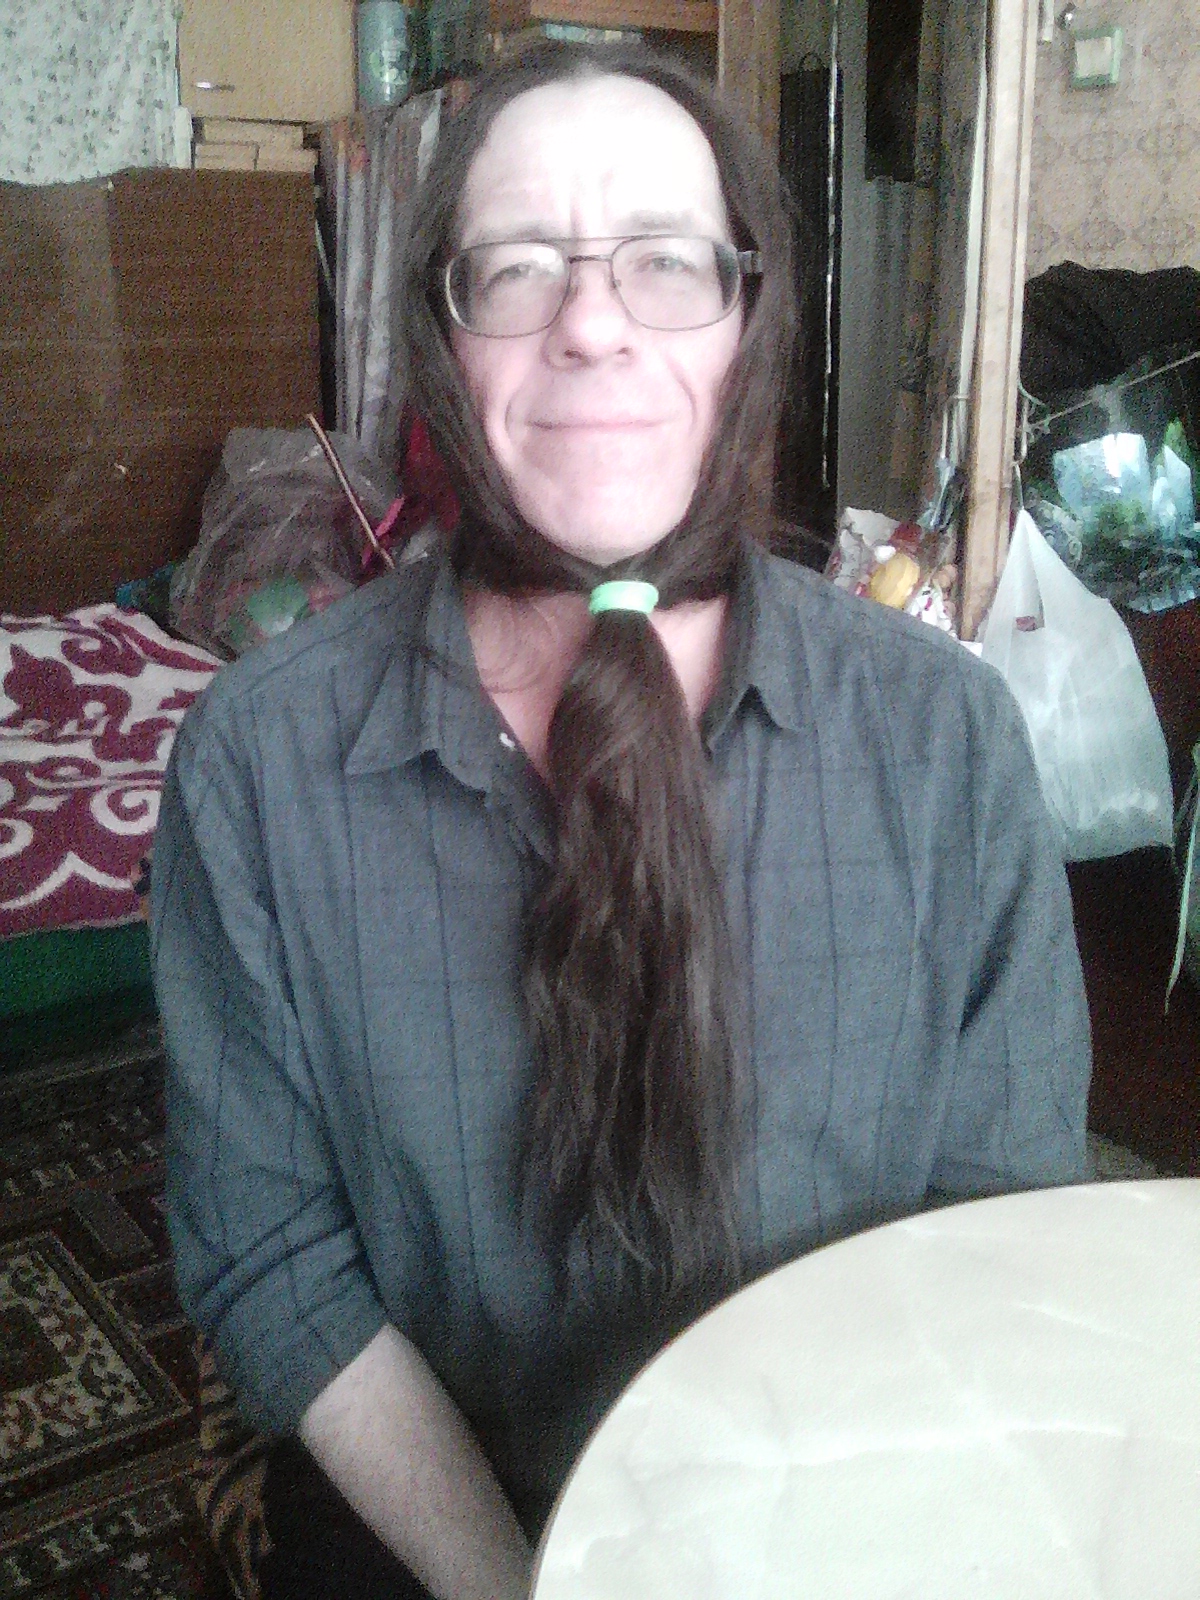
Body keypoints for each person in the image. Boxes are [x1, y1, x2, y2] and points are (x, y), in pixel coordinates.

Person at [152, 40, 1091, 1600]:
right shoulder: (256, 766)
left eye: (665, 261)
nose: (591, 323)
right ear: (444, 338)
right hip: (443, 1529)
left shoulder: (943, 741)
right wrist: (522, 1581)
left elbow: (997, 1225)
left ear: (748, 320)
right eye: (518, 268)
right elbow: (273, 1256)